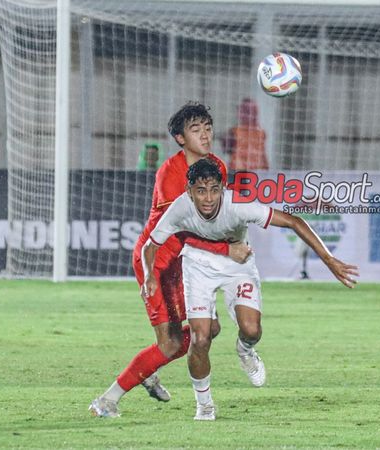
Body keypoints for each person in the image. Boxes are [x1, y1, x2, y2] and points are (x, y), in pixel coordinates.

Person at [142, 159, 359, 420]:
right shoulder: (180, 208)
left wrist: (329, 260)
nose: (208, 198)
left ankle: (245, 350)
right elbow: (150, 245)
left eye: (213, 189)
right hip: (198, 264)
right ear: (189, 191)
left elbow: (293, 221)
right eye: (201, 190)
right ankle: (205, 405)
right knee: (201, 338)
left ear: (222, 188)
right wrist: (148, 276)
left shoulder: (239, 204)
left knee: (251, 329)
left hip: (238, 262)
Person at [90, 102, 252, 418]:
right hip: (158, 264)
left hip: (187, 262)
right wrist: (224, 250)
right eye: (196, 130)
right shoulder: (169, 174)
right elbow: (178, 230)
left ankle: (149, 366)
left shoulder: (217, 166)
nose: (205, 135)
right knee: (170, 344)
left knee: (210, 329)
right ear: (180, 138)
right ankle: (107, 400)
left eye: (208, 128)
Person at [223, 98, 268, 171]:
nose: (244, 115)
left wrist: (266, 170)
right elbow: (227, 150)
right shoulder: (234, 131)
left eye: (248, 111)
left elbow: (263, 155)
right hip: (237, 171)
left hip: (257, 172)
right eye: (242, 111)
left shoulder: (261, 133)